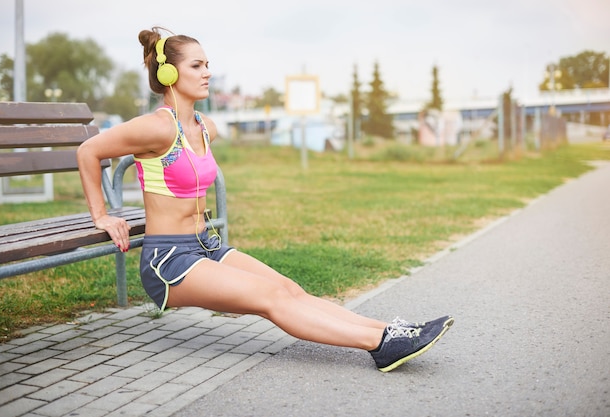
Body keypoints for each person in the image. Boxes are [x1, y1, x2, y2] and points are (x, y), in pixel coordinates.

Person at [77, 27, 454, 372]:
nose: (207, 71)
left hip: (205, 246)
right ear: (170, 75)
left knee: (290, 289)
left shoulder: (204, 127)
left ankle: (388, 330)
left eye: (208, 64)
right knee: (272, 297)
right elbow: (89, 151)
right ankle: (379, 344)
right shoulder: (156, 126)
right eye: (197, 65)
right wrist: (102, 215)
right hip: (170, 261)